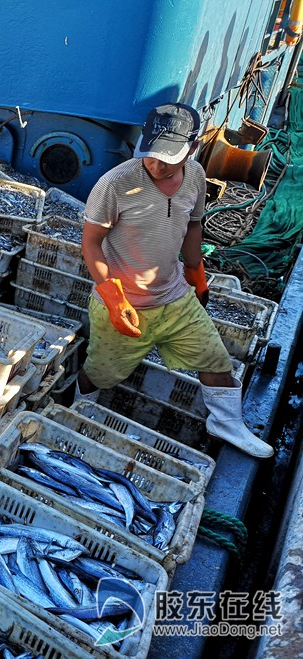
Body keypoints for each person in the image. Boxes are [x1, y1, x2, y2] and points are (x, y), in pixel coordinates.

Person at [75, 103, 273, 458]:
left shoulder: (195, 175)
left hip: (174, 298)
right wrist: (113, 297)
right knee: (99, 373)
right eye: (151, 154)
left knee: (216, 361)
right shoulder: (115, 184)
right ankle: (79, 407)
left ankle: (227, 423)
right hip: (123, 306)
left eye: (168, 157)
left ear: (192, 148)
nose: (157, 164)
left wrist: (195, 271)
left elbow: (193, 225)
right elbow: (91, 243)